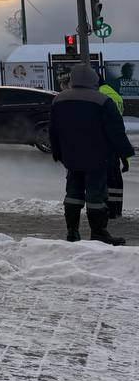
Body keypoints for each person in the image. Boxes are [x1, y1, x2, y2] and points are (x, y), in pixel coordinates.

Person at [50, 64, 130, 245]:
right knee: (96, 195)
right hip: (97, 157)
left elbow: (53, 130)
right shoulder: (102, 100)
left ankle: (72, 232)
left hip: (71, 156)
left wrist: (58, 153)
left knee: (73, 193)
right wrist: (124, 155)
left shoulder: (59, 100)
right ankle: (99, 232)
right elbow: (116, 132)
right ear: (93, 79)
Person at [99, 79, 128, 218]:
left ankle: (111, 210)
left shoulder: (100, 95)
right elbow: (118, 126)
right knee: (116, 176)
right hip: (115, 141)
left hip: (104, 142)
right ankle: (117, 209)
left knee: (108, 177)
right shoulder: (114, 93)